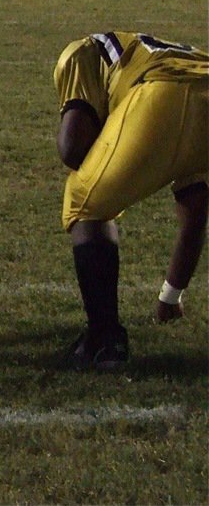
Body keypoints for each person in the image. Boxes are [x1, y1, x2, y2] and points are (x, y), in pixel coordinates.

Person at [53, 31, 207, 371]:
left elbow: (72, 149)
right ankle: (167, 302)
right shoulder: (157, 52)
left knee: (85, 202)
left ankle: (104, 341)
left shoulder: (82, 51)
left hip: (160, 93)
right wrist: (171, 294)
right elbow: (195, 211)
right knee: (197, 200)